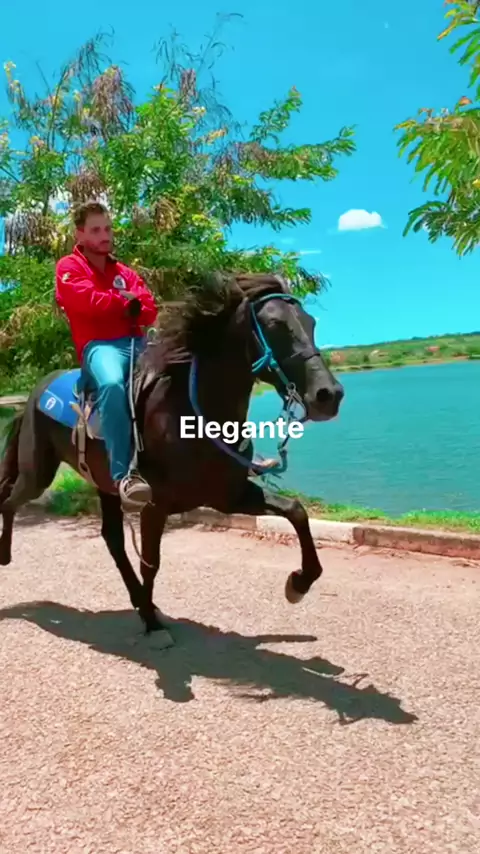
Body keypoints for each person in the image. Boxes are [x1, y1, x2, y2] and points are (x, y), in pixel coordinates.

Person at [55, 199, 158, 509]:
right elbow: (86, 302)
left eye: (108, 229)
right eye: (96, 230)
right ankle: (123, 475)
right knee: (112, 384)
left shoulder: (125, 272)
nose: (105, 236)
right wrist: (125, 302)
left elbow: (149, 309)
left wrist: (129, 303)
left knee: (186, 367)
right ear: (80, 235)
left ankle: (228, 449)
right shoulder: (69, 268)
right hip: (99, 347)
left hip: (138, 342)